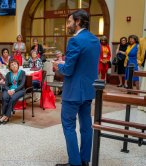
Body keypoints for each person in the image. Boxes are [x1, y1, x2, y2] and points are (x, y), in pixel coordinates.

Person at [53, 10, 100, 166]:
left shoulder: (75, 41)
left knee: (68, 126)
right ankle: (85, 160)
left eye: (69, 22)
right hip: (88, 91)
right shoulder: (95, 40)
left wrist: (59, 65)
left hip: (73, 92)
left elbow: (68, 70)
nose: (67, 25)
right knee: (86, 126)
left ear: (78, 21)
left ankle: (75, 163)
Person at [0, 59, 26, 125]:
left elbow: (22, 84)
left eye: (15, 64)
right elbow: (6, 85)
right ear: (10, 67)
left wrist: (14, 90)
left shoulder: (22, 72)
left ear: (18, 65)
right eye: (12, 65)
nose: (14, 66)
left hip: (19, 90)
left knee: (12, 98)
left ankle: (5, 116)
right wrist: (8, 90)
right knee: (5, 97)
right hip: (9, 90)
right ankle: (4, 115)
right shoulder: (8, 74)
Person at [137, 37, 146, 112]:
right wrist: (139, 61)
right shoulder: (142, 40)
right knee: (142, 84)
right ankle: (142, 103)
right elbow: (139, 51)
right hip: (143, 64)